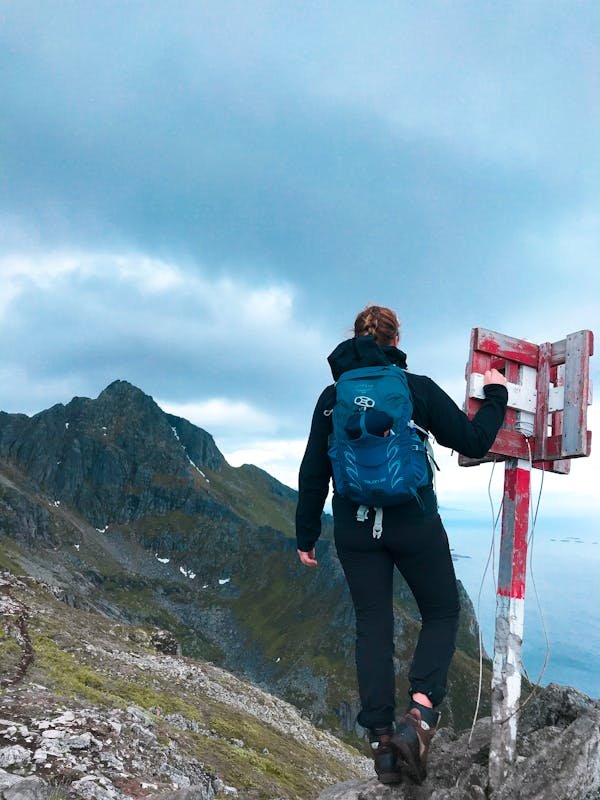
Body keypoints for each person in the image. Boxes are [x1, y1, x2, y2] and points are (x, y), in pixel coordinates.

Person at [295, 305, 508, 785]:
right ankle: (420, 718)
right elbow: (474, 441)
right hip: (413, 521)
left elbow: (313, 470)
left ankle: (381, 745)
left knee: (372, 624)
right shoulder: (415, 389)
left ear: (354, 340)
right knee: (441, 611)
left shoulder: (332, 398)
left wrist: (306, 535)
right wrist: (496, 393)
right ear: (396, 340)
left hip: (354, 525)